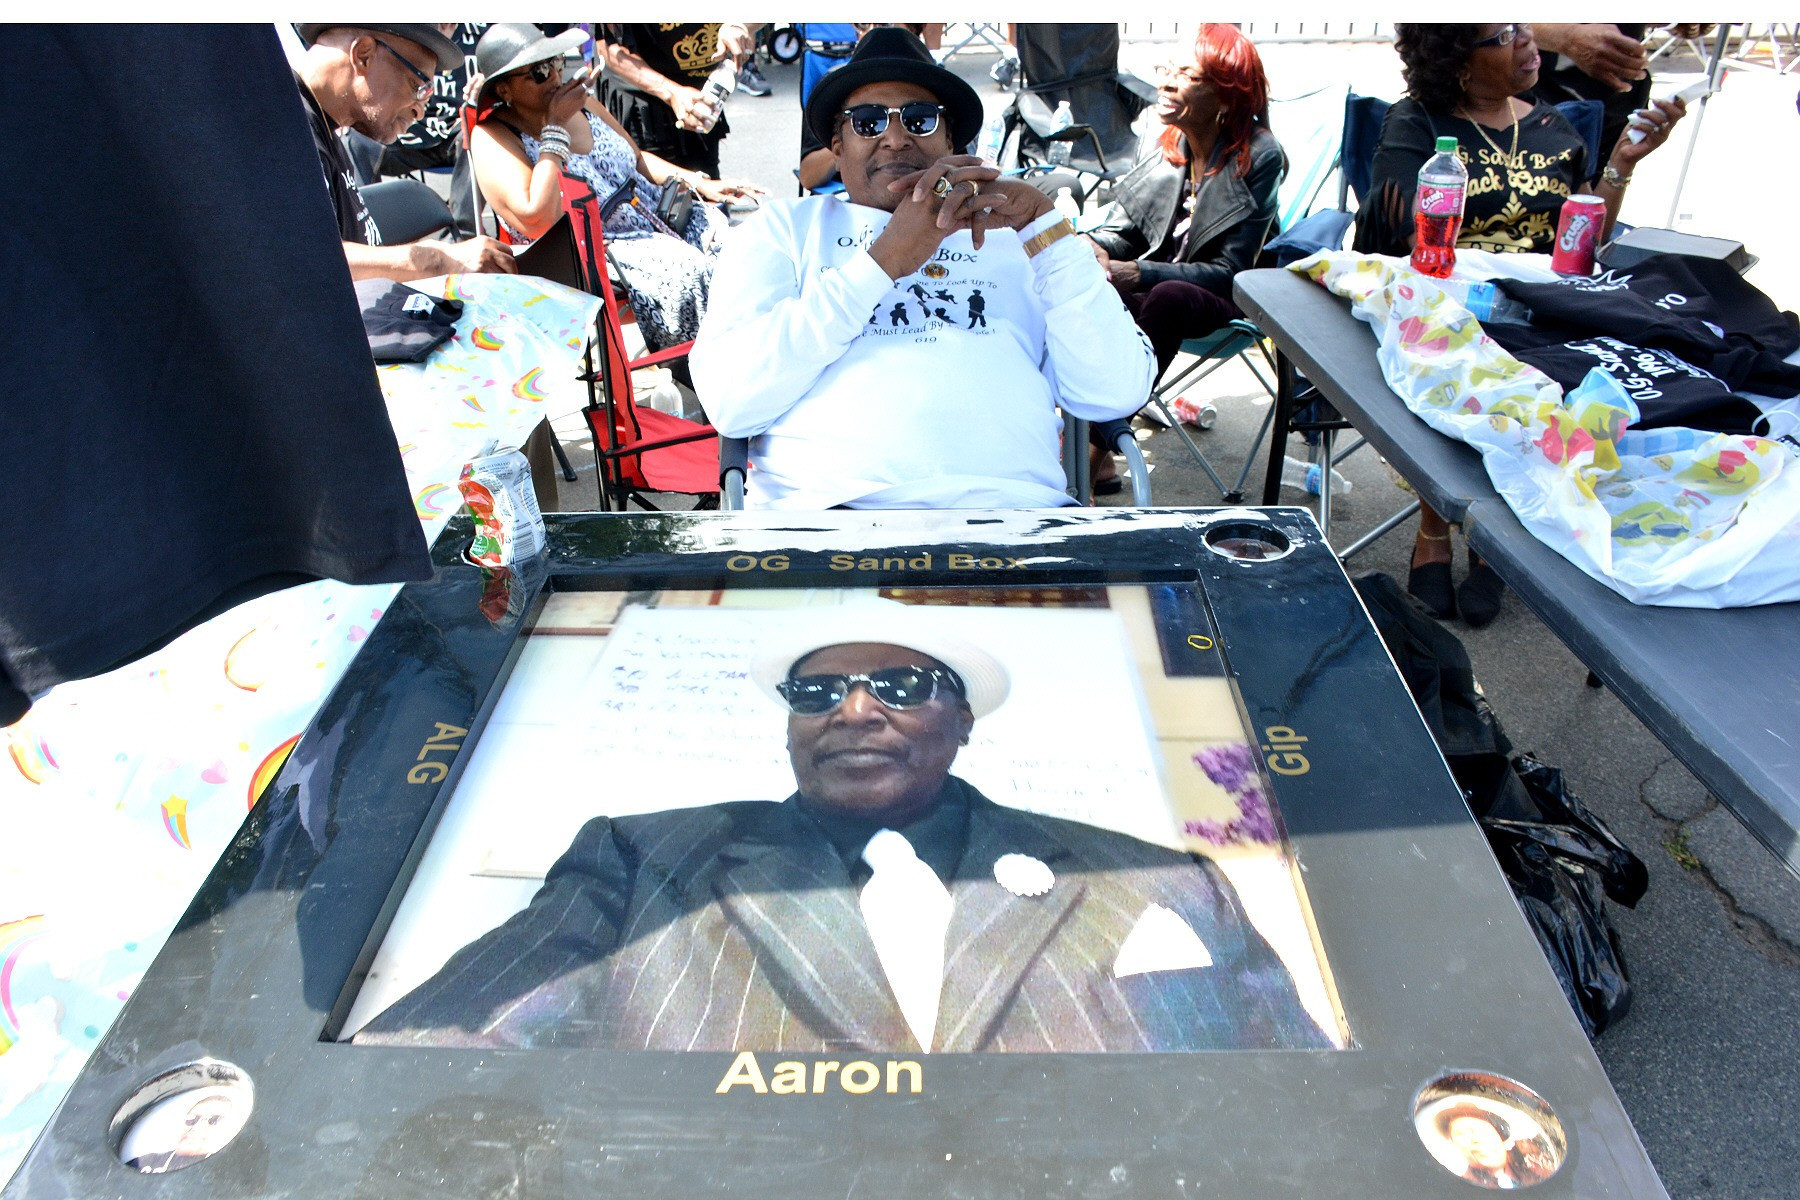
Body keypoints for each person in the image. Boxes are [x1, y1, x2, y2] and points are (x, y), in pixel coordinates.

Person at [357, 607, 1329, 1052]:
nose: (853, 710)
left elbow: (1297, 1099)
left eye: (900, 686)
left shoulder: (1155, 878)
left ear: (963, 720)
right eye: (817, 693)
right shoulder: (642, 857)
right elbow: (447, 1043)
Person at [687, 27, 1155, 510]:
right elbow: (731, 401)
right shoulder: (785, 228)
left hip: (1013, 517)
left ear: (950, 138)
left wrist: (1046, 228)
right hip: (827, 521)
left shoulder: (1020, 238)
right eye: (868, 121)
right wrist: (883, 262)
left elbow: (1115, 392)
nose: (895, 138)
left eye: (920, 118)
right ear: (837, 145)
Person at [1352, 23, 1687, 626]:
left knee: (1569, 369)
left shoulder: (1555, 126)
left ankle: (1490, 541)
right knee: (1459, 359)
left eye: (1523, 27)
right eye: (1505, 34)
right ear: (1459, 60)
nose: (1529, 41)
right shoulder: (1417, 125)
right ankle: (1435, 529)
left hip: (1539, 308)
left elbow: (1583, 240)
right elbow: (1405, 239)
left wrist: (1620, 162)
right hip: (1446, 302)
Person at [467, 24, 763, 353]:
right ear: (504, 89)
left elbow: (637, 159)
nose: (554, 77)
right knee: (690, 272)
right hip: (591, 249)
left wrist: (702, 183)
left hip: (652, 216)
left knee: (740, 249)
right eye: (539, 72)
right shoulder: (493, 136)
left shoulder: (583, 105)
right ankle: (704, 366)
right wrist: (555, 128)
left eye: (556, 63)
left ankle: (753, 354)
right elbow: (536, 218)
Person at [1083, 24, 1285, 491]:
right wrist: (1095, 247)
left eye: (1187, 76)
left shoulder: (1260, 156)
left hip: (1225, 297)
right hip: (1160, 287)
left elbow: (1230, 272)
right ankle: (1082, 439)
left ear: (1228, 97)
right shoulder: (1169, 144)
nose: (1167, 83)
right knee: (1095, 291)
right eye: (1166, 70)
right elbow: (1126, 229)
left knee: (1165, 296)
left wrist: (1138, 272)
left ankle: (1089, 459)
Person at [291, 24, 516, 282]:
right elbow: (305, 259)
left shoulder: (318, 125)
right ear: (363, 55)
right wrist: (437, 260)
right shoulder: (284, 133)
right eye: (418, 87)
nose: (419, 111)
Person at [596, 23, 760, 178]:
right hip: (643, 92)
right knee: (656, 189)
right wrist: (671, 92)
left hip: (701, 91)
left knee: (706, 181)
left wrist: (739, 25)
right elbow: (607, 45)